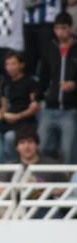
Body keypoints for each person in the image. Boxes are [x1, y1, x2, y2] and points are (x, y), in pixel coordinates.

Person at [37, 12, 77, 164]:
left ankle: (70, 186)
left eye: (64, 28)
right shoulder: (50, 47)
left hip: (70, 109)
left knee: (69, 151)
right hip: (49, 107)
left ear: (70, 28)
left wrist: (74, 84)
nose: (60, 32)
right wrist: (38, 96)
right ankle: (40, 183)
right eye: (57, 28)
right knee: (41, 149)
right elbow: (43, 76)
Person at [0, 51, 40, 163]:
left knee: (10, 136)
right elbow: (4, 105)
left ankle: (15, 162)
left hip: (25, 120)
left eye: (13, 64)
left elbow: (35, 106)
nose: (10, 67)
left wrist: (18, 116)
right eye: (7, 64)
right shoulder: (6, 82)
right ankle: (3, 164)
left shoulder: (30, 82)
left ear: (21, 65)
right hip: (8, 119)